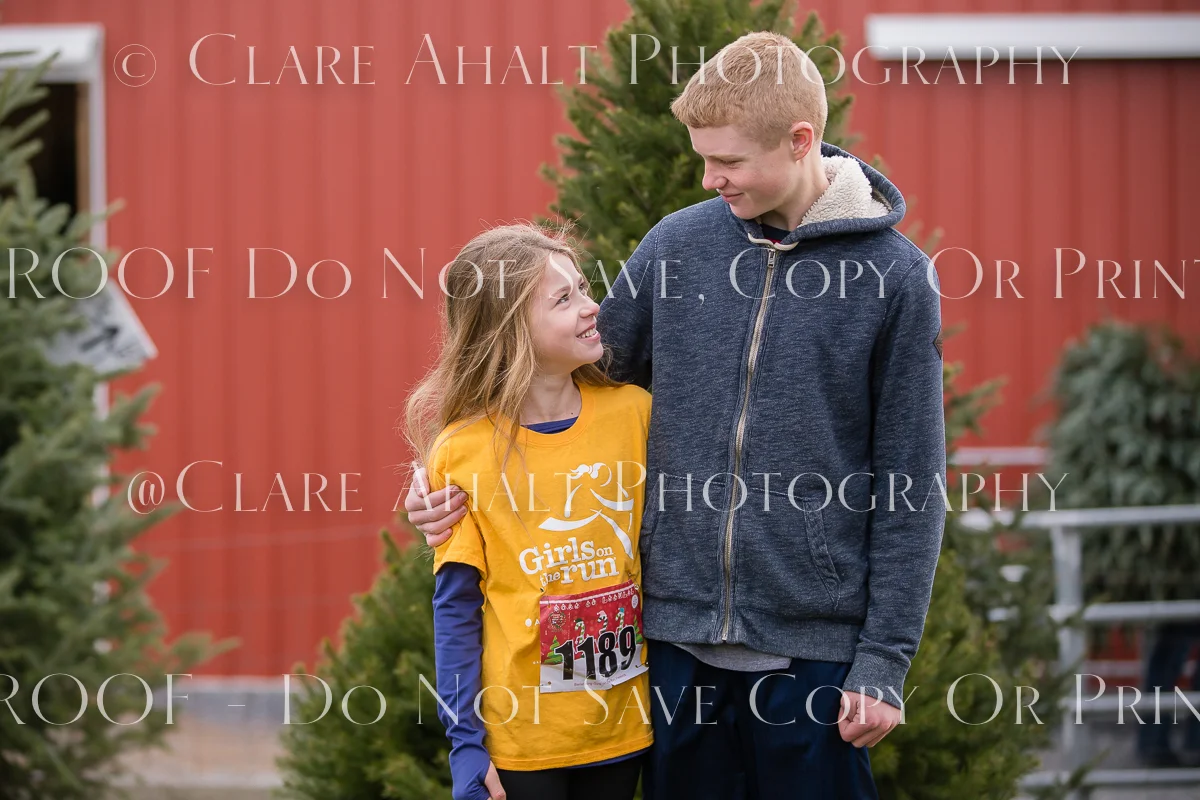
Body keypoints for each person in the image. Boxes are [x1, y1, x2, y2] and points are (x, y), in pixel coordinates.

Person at [406, 31, 946, 799]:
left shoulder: (894, 279)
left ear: (799, 142)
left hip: (815, 654)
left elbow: (912, 481)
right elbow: (556, 379)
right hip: (671, 651)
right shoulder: (678, 246)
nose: (708, 178)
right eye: (702, 158)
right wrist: (439, 484)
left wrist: (885, 661)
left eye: (727, 162)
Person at [405, 223, 654, 800]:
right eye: (564, 299)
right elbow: (456, 610)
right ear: (508, 330)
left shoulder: (636, 415)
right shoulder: (462, 451)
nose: (593, 306)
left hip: (625, 731)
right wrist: (466, 745)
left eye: (584, 288)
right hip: (522, 742)